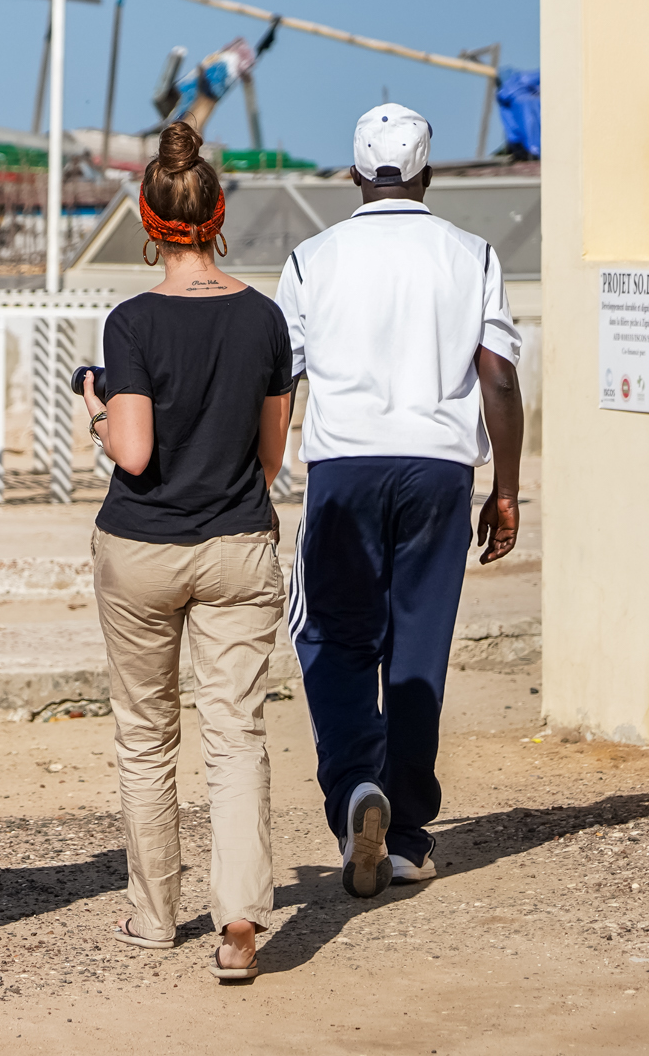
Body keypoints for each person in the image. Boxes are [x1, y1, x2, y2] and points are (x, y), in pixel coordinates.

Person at [276, 104, 523, 899]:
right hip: (441, 470)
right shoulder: (472, 253)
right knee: (417, 647)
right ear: (427, 175)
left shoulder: (313, 258)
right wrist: (508, 486)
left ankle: (355, 788)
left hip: (344, 467)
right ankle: (410, 834)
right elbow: (499, 374)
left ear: (353, 175)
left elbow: (280, 377)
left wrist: (262, 475)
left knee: (332, 635)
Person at [79, 120, 295, 982]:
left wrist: (96, 408)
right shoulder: (265, 317)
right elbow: (273, 457)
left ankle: (154, 913)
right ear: (216, 216)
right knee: (236, 732)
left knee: (145, 735)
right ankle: (238, 919)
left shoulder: (130, 321)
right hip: (238, 543)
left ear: (148, 218)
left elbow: (131, 452)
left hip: (142, 547)